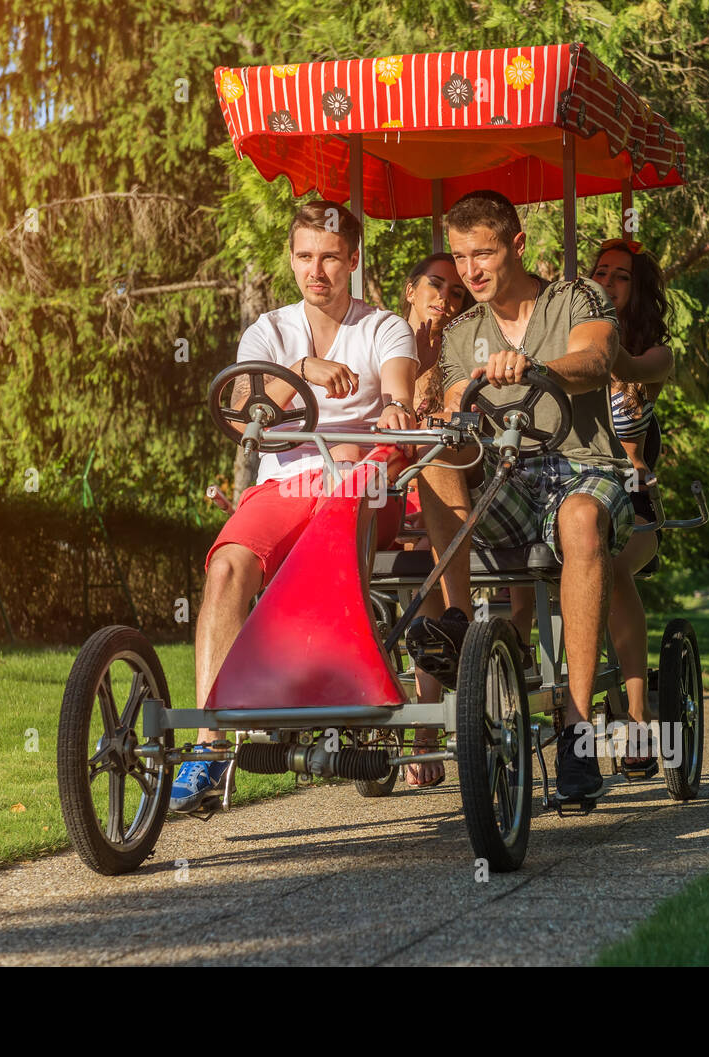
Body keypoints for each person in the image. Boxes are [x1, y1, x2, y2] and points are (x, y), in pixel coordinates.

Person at [170, 200, 419, 813]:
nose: (318, 271)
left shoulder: (383, 327)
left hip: (363, 483)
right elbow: (241, 410)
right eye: (305, 256)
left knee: (341, 514)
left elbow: (398, 393)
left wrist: (391, 408)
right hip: (286, 484)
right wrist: (300, 370)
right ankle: (208, 746)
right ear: (290, 259)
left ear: (353, 260)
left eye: (331, 257)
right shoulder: (269, 332)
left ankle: (342, 683)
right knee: (226, 565)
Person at [407, 189, 633, 806]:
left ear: (517, 245)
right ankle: (456, 619)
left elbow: (596, 357)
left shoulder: (573, 297)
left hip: (583, 466)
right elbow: (453, 401)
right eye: (459, 257)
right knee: (438, 447)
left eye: (483, 253)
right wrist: (444, 399)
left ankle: (577, 727)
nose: (471, 271)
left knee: (583, 519)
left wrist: (536, 370)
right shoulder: (463, 332)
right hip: (507, 479)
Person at [590, 238, 673, 769]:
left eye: (620, 276)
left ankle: (639, 718)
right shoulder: (568, 338)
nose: (607, 281)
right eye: (599, 272)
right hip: (572, 495)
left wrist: (593, 341)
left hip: (634, 506)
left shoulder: (654, 356)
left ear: (636, 289)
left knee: (611, 567)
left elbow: (621, 367)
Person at [394, 253, 473, 787]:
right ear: (410, 289)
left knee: (428, 584)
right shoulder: (384, 343)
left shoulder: (464, 352)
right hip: (389, 488)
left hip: (446, 492)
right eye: (436, 286)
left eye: (457, 293)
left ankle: (425, 732)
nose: (445, 300)